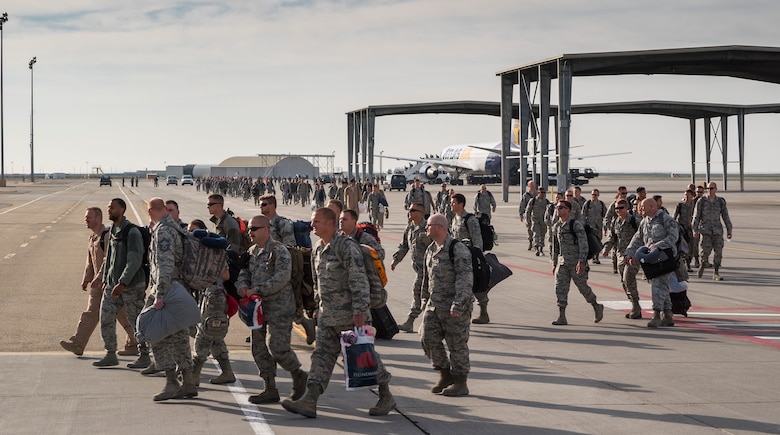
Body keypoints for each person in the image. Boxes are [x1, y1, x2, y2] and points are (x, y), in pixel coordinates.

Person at [281, 207, 395, 418]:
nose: (312, 225)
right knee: (321, 356)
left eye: (316, 221)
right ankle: (310, 399)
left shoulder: (346, 247)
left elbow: (358, 280)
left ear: (330, 223)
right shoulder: (317, 248)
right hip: (327, 315)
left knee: (362, 356)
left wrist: (360, 311)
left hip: (350, 316)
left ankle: (386, 394)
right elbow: (317, 282)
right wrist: (316, 308)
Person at [236, 215, 308, 404]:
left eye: (254, 229)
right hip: (257, 309)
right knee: (258, 348)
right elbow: (243, 273)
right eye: (249, 229)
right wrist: (242, 287)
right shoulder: (250, 252)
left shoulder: (279, 251)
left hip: (280, 307)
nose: (250, 233)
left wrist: (256, 290)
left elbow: (282, 278)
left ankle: (298, 374)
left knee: (276, 346)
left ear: (266, 230)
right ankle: (270, 388)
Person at [60, 207, 136, 357]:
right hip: (97, 285)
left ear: (98, 219)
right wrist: (86, 279)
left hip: (111, 283)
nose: (86, 219)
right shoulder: (92, 238)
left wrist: (99, 276)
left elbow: (109, 259)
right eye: (85, 216)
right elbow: (90, 261)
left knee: (123, 315)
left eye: (89, 217)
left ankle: (135, 342)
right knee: (91, 313)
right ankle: (78, 343)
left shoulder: (107, 236)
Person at [145, 197, 198, 401]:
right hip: (177, 289)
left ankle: (171, 381)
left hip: (168, 290)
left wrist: (159, 294)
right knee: (179, 337)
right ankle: (188, 381)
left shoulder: (164, 231)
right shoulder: (174, 227)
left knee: (156, 334)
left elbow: (164, 265)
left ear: (150, 212)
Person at [419, 213, 473, 396]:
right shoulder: (431, 249)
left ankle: (460, 381)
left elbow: (465, 280)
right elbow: (426, 278)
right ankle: (444, 373)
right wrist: (424, 299)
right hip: (434, 306)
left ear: (440, 227)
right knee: (427, 337)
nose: (426, 227)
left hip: (454, 308)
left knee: (456, 344)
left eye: (429, 225)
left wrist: (458, 304)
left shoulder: (457, 250)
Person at [93, 198, 148, 368]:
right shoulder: (113, 231)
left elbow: (134, 260)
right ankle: (110, 354)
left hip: (131, 286)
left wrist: (122, 282)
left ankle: (145, 355)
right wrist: (105, 279)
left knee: (136, 321)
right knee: (106, 317)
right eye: (108, 207)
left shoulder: (131, 232)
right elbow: (109, 258)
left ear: (122, 210)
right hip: (113, 285)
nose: (109, 210)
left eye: (112, 207)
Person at [624, 198, 679, 328]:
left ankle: (656, 315)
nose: (640, 208)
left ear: (652, 207)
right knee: (662, 286)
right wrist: (629, 252)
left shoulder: (665, 219)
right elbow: (637, 238)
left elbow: (673, 236)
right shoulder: (645, 222)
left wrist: (658, 245)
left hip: (665, 258)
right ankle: (667, 315)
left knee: (657, 285)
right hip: (652, 260)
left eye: (643, 206)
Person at [550, 200, 604, 326]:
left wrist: (582, 261)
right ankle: (562, 316)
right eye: (557, 207)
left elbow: (583, 244)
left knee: (583, 288)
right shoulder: (557, 226)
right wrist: (554, 263)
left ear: (568, 210)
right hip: (563, 263)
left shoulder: (575, 225)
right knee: (560, 289)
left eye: (561, 207)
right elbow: (555, 246)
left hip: (576, 263)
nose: (558, 209)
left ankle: (596, 306)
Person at [391, 202, 432, 333]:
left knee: (418, 293)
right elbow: (404, 246)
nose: (410, 212)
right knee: (426, 296)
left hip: (431, 269)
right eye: (409, 210)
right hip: (419, 269)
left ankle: (411, 321)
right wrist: (396, 260)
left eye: (413, 210)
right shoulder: (409, 228)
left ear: (421, 213)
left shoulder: (429, 227)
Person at [450, 193, 489, 324]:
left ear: (461, 204)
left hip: (470, 258)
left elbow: (478, 241)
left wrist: (477, 259)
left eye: (454, 202)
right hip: (457, 258)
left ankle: (483, 312)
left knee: (476, 285)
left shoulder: (470, 220)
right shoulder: (455, 219)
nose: (451, 204)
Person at [602, 199, 642, 319]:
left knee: (628, 278)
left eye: (621, 208)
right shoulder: (616, 222)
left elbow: (644, 236)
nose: (618, 210)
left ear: (627, 208)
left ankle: (636, 306)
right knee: (624, 282)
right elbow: (612, 238)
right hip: (620, 256)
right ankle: (634, 304)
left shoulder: (635, 221)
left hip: (633, 256)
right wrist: (606, 248)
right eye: (616, 208)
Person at [692, 182, 733, 281]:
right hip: (705, 231)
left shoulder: (720, 201)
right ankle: (702, 264)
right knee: (705, 252)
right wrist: (695, 229)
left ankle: (716, 272)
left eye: (711, 188)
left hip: (717, 231)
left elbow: (725, 216)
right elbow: (696, 216)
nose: (709, 190)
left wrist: (729, 229)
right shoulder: (701, 201)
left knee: (718, 252)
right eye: (708, 188)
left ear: (716, 189)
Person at [604, 186, 630, 274]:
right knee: (615, 249)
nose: (625, 195)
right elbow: (607, 218)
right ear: (619, 193)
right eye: (623, 193)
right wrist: (610, 228)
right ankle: (615, 265)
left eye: (626, 193)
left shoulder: (627, 203)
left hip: (626, 229)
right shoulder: (614, 205)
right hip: (616, 229)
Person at [582, 189, 607, 264]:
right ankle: (593, 256)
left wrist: (605, 228)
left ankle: (596, 257)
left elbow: (605, 216)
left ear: (598, 195)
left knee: (598, 241)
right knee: (592, 241)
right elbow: (583, 214)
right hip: (590, 226)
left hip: (598, 226)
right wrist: (583, 225)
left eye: (595, 195)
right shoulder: (588, 203)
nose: (594, 196)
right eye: (592, 194)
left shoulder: (601, 204)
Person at [674, 190, 695, 271]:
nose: (686, 196)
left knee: (692, 248)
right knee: (683, 247)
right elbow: (674, 216)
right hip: (682, 229)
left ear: (692, 196)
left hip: (691, 229)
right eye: (685, 195)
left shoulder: (695, 205)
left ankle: (690, 261)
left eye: (688, 195)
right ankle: (687, 265)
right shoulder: (680, 205)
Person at [525, 187, 549, 256]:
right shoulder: (533, 201)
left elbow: (550, 212)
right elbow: (528, 211)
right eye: (541, 192)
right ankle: (537, 248)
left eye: (544, 193)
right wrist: (527, 220)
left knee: (542, 235)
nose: (543, 194)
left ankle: (541, 248)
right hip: (535, 220)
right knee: (536, 234)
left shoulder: (546, 202)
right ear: (538, 193)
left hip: (543, 221)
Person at [518, 180, 536, 251]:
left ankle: (536, 244)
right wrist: (521, 215)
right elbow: (522, 205)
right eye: (531, 186)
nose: (532, 187)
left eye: (533, 185)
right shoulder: (526, 195)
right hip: (528, 214)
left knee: (537, 230)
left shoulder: (537, 194)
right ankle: (530, 242)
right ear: (528, 186)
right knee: (529, 229)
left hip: (536, 214)